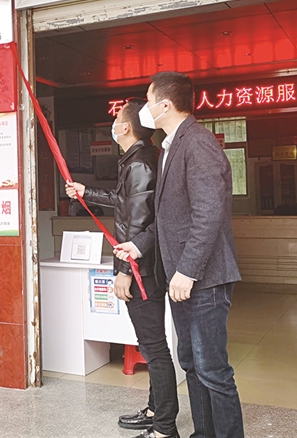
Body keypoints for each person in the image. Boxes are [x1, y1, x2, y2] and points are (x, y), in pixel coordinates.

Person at [116, 72, 244, 438]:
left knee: (213, 370)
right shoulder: (172, 145)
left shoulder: (198, 143)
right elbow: (171, 217)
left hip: (204, 278)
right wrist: (139, 244)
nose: (145, 109)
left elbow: (208, 213)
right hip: (183, 280)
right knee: (192, 363)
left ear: (165, 105)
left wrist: (187, 271)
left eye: (148, 101)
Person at [66, 98, 179, 438]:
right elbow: (126, 203)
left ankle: (164, 426)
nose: (113, 125)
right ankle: (155, 410)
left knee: (153, 347)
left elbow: (138, 224)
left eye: (116, 119)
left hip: (143, 270)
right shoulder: (141, 158)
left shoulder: (141, 163)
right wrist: (87, 192)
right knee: (151, 344)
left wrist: (124, 271)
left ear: (125, 127)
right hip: (146, 265)